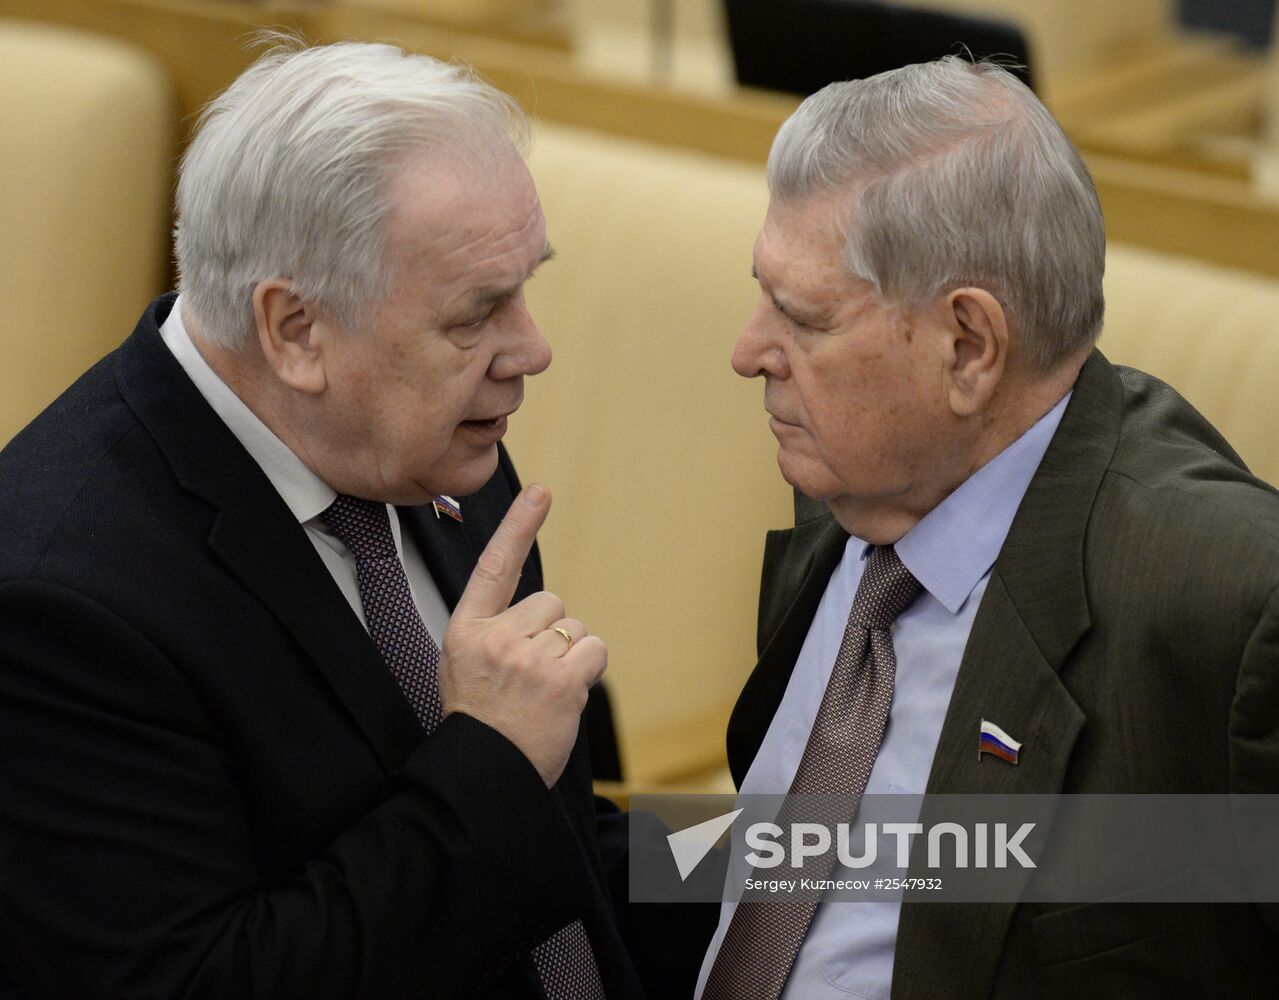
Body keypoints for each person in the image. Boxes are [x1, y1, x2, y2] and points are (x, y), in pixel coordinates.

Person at [0, 38, 644, 999]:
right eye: (476, 313)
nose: (531, 349)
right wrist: (492, 763)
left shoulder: (431, 442)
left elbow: (563, 840)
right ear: (295, 330)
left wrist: (869, 853)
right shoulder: (56, 609)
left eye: (525, 289)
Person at [696, 57, 1279, 999]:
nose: (747, 351)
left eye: (800, 318)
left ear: (966, 346)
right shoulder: (861, 483)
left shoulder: (1230, 610)